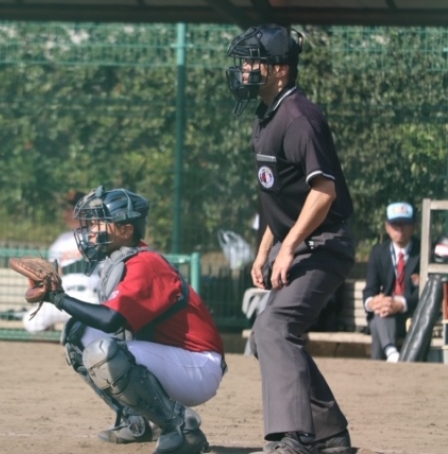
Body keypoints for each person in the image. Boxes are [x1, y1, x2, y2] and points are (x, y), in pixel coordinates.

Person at [227, 24, 355, 454]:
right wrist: (266, 249)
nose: (245, 69)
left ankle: (295, 437)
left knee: (275, 327)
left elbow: (323, 192)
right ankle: (330, 434)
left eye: (254, 61)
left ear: (280, 70)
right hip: (301, 243)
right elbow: (282, 197)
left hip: (325, 244)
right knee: (269, 334)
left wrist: (289, 248)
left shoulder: (299, 117)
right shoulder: (267, 116)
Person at [29, 186, 225, 454]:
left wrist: (58, 298)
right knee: (78, 334)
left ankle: (182, 428)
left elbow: (110, 320)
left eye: (99, 223)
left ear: (125, 230)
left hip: (197, 364)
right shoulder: (122, 261)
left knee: (104, 353)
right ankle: (137, 422)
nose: (91, 230)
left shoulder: (145, 264)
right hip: (172, 358)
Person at [22, 190, 100, 332]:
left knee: (95, 330)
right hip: (67, 298)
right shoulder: (61, 241)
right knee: (31, 322)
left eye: (70, 210)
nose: (66, 214)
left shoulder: (100, 236)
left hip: (92, 298)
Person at [362, 202, 420, 362]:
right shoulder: (378, 252)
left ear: (414, 226)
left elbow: (427, 292)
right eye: (395, 224)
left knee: (377, 324)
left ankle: (387, 359)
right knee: (381, 311)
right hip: (385, 315)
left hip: (411, 316)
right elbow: (369, 289)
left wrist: (401, 304)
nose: (400, 229)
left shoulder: (423, 251)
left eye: (405, 223)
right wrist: (373, 302)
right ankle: (392, 353)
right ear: (387, 227)